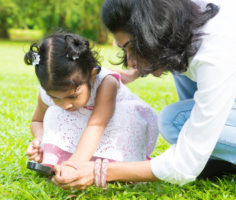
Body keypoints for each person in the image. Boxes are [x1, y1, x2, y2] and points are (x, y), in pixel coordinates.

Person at [52, 0, 236, 189]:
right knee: (178, 62)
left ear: (152, 30)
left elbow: (184, 166)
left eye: (132, 47)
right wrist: (136, 72)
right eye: (125, 49)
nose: (130, 61)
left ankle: (216, 155)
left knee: (175, 121)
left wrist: (99, 171)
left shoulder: (215, 49)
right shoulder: (185, 18)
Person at [24, 33, 159, 185]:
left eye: (73, 96)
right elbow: (37, 120)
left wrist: (73, 165)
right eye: (56, 97)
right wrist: (39, 139)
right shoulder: (50, 90)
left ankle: (113, 167)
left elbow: (96, 125)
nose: (66, 104)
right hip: (87, 129)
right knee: (54, 113)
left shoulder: (106, 82)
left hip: (113, 126)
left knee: (125, 116)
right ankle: (62, 161)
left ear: (92, 75)